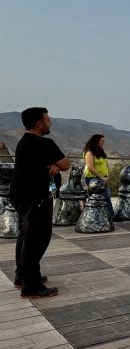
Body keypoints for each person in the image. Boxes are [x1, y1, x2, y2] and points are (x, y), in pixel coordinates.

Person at [9, 107, 70, 298]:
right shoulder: (44, 143)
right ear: (39, 123)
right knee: (37, 239)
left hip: (21, 196)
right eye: (48, 120)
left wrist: (53, 165)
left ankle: (22, 276)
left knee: (26, 237)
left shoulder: (23, 142)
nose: (50, 122)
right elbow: (66, 164)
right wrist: (55, 165)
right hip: (36, 198)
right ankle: (31, 286)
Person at [83, 134, 114, 218]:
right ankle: (110, 216)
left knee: (106, 197)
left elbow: (105, 163)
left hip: (103, 178)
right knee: (102, 197)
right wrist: (102, 177)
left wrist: (107, 175)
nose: (103, 143)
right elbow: (90, 167)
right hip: (93, 178)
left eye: (103, 141)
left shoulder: (100, 151)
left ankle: (106, 215)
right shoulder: (89, 152)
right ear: (96, 141)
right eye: (101, 141)